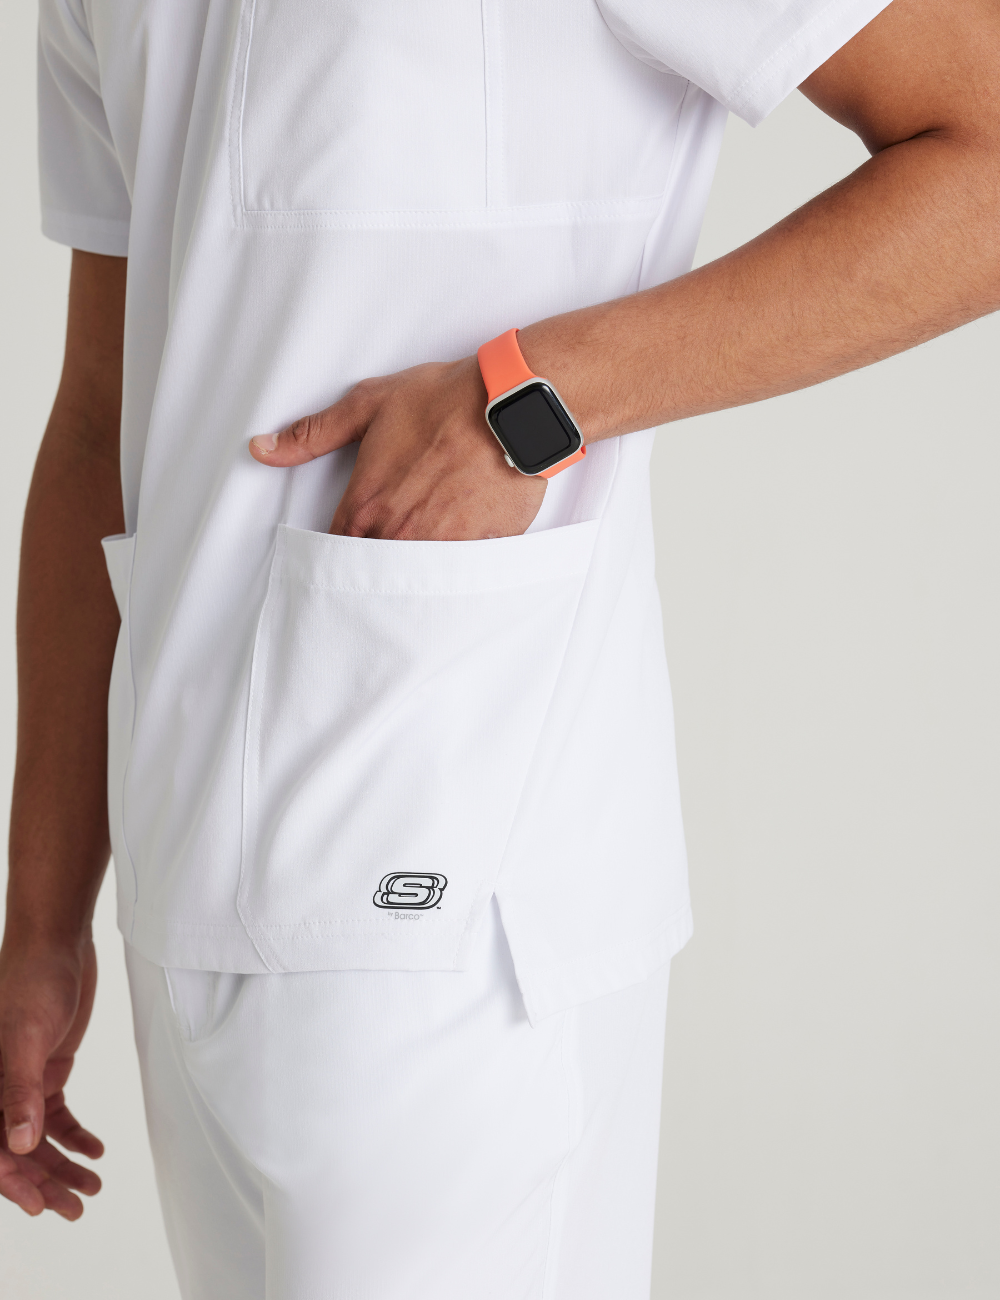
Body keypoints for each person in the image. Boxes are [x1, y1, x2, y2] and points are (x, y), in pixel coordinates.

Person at [1, 0, 998, 1294]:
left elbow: (983, 150)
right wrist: (43, 918)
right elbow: (102, 417)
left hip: (469, 900)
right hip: (182, 893)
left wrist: (527, 403)